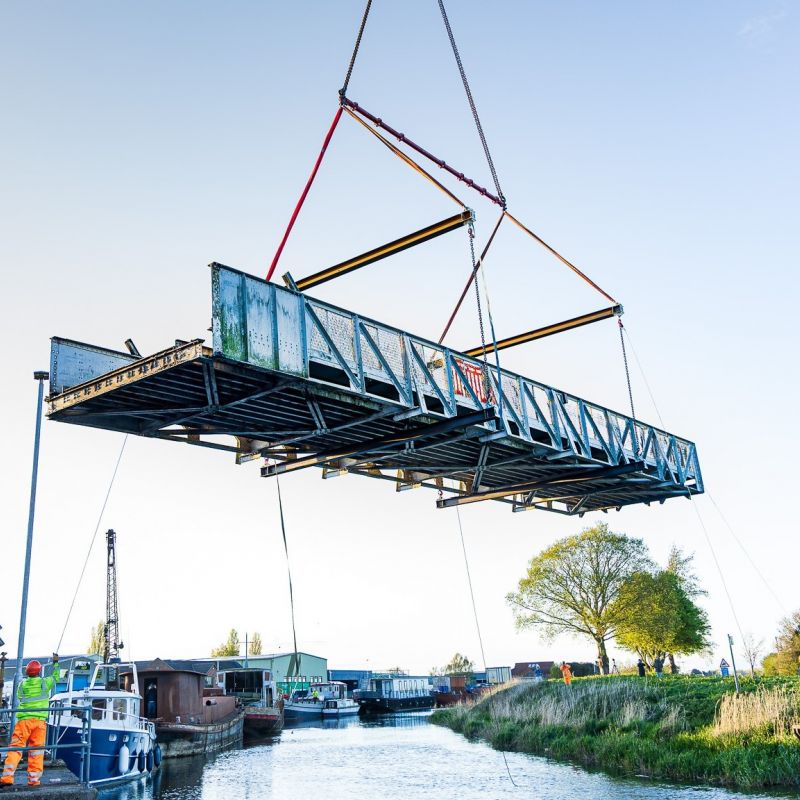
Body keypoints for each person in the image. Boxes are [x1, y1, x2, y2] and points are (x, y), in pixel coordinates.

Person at [1, 655, 60, 787]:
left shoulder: (22, 685)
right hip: (40, 722)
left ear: (27, 672)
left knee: (15, 749)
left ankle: (7, 778)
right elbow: (56, 677)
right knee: (37, 751)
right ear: (39, 672)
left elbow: (19, 696)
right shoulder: (45, 683)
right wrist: (55, 663)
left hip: (23, 721)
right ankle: (34, 781)